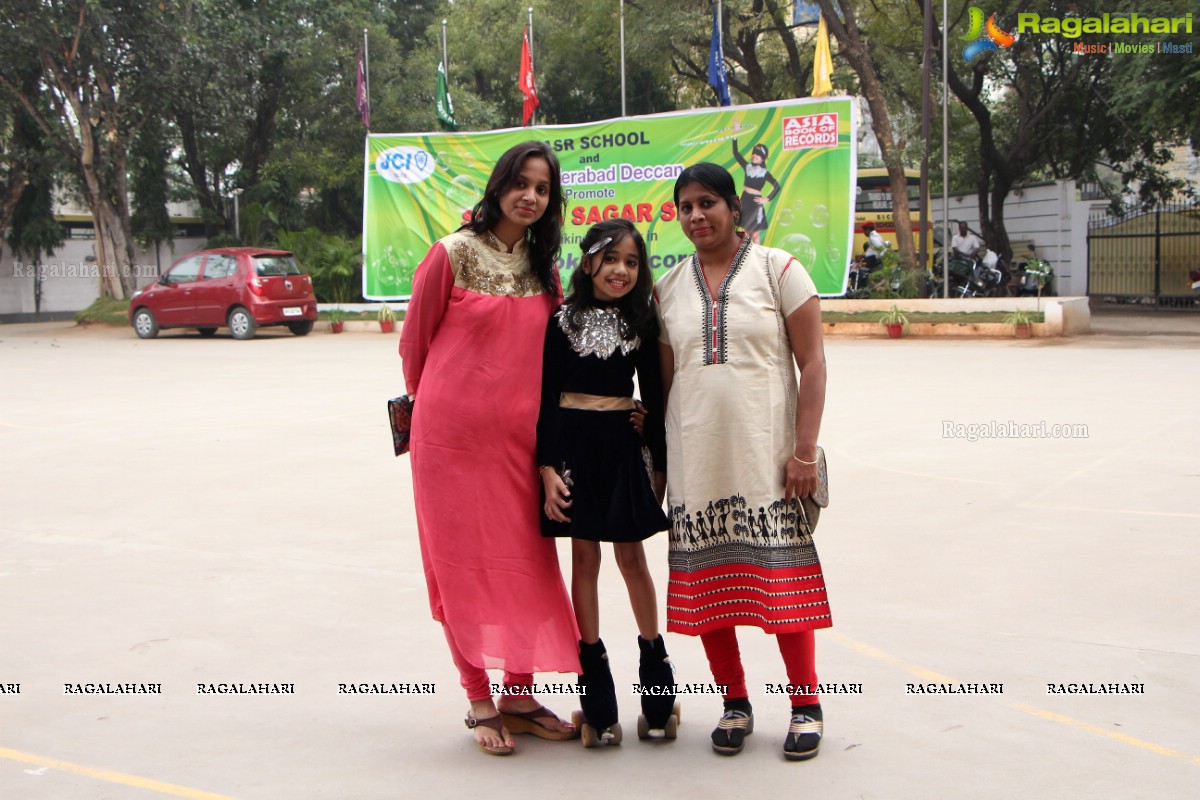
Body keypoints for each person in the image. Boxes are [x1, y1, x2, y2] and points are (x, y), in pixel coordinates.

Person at [399, 141, 580, 756]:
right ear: (499, 185)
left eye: (543, 188)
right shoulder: (450, 253)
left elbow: (553, 359)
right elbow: (414, 349)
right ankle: (479, 696)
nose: (530, 196)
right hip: (449, 443)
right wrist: (444, 418)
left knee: (525, 564)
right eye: (521, 183)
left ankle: (520, 696)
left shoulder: (544, 267)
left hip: (522, 446)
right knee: (459, 567)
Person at [654, 162, 832, 761]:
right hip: (696, 463)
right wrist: (656, 466)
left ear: (734, 208)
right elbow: (663, 386)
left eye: (707, 203)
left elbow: (813, 365)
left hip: (769, 459)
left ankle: (806, 705)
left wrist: (804, 452)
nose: (697, 216)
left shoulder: (780, 270)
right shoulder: (668, 289)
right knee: (708, 590)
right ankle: (734, 702)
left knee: (781, 584)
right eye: (685, 207)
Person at [537, 218, 676, 745]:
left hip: (622, 450)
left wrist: (657, 462)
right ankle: (597, 697)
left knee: (632, 559)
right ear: (588, 260)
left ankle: (657, 689)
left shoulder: (642, 319)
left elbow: (656, 397)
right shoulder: (559, 320)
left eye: (632, 262)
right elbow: (545, 397)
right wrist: (547, 467)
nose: (621, 270)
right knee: (585, 560)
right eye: (610, 258)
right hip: (572, 451)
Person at [731, 137, 781, 243]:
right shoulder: (747, 167)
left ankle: (759, 255)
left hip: (755, 202)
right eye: (754, 153)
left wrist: (767, 198)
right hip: (745, 200)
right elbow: (736, 153)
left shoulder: (764, 172)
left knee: (755, 233)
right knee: (747, 232)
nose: (755, 156)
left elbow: (777, 186)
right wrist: (735, 134)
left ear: (763, 158)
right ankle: (747, 255)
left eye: (758, 154)